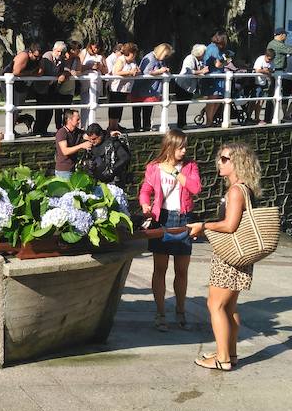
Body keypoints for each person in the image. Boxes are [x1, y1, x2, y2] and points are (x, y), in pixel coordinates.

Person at [187, 142, 263, 370]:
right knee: (229, 308)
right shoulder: (245, 189)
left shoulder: (236, 191)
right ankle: (230, 353)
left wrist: (203, 225)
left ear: (238, 162)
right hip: (239, 256)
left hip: (229, 257)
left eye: (224, 159)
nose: (219, 162)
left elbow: (230, 226)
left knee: (215, 305)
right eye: (220, 158)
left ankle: (222, 358)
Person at [139, 129, 201, 331]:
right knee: (160, 268)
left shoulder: (190, 166)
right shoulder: (154, 167)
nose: (184, 151)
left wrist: (175, 172)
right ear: (170, 146)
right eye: (180, 147)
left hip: (183, 217)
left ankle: (180, 310)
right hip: (162, 217)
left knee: (181, 270)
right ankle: (160, 312)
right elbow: (145, 189)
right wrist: (145, 204)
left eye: (185, 147)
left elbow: (195, 189)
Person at [264, 28, 292, 123]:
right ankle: (269, 118)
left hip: (277, 71)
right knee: (273, 95)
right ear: (281, 35)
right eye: (285, 35)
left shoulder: (272, 43)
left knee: (276, 95)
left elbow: (289, 50)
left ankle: (270, 117)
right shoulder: (278, 45)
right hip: (277, 71)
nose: (286, 36)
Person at [131, 44, 172, 132]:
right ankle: (137, 127)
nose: (166, 57)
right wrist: (160, 71)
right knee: (137, 109)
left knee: (148, 108)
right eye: (166, 55)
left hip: (150, 89)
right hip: (141, 87)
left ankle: (146, 126)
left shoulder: (159, 60)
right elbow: (147, 72)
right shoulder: (150, 58)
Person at [4, 43, 43, 134]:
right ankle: (10, 131)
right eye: (35, 56)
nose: (37, 59)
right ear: (30, 52)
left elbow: (40, 72)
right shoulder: (24, 56)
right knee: (13, 106)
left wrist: (33, 72)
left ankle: (13, 128)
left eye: (39, 57)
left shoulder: (39, 58)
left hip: (21, 83)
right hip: (9, 82)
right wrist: (30, 73)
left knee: (18, 108)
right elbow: (16, 72)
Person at [81, 123, 131, 188]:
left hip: (113, 181)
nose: (92, 142)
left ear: (101, 135)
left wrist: (112, 169)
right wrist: (87, 163)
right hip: (97, 181)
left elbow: (125, 158)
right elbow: (84, 160)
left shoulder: (112, 142)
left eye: (94, 139)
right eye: (90, 139)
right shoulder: (90, 146)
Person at [37, 41, 68, 136]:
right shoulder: (47, 57)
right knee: (42, 110)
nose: (60, 54)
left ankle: (43, 130)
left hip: (51, 87)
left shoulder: (61, 59)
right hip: (42, 87)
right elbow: (47, 71)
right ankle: (38, 130)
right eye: (58, 51)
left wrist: (64, 74)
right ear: (54, 50)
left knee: (49, 110)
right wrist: (58, 76)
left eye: (62, 52)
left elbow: (65, 70)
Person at [108, 43, 139, 133]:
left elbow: (137, 69)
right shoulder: (121, 60)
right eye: (134, 53)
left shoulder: (133, 61)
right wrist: (129, 72)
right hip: (116, 88)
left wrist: (136, 71)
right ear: (129, 52)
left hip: (126, 88)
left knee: (120, 107)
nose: (135, 55)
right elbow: (116, 72)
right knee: (114, 107)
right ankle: (112, 126)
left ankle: (116, 125)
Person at [175, 44, 208, 129]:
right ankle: (181, 124)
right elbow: (188, 71)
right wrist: (201, 71)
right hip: (182, 85)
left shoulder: (199, 60)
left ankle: (183, 123)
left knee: (185, 105)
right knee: (181, 105)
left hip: (189, 86)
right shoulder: (189, 58)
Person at [202, 32, 230, 126]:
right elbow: (218, 64)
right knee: (212, 98)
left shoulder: (218, 48)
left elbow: (223, 63)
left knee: (218, 99)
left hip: (219, 76)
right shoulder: (213, 48)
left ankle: (210, 120)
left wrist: (226, 61)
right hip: (213, 77)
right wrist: (226, 62)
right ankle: (209, 121)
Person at [54, 109, 91, 179]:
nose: (79, 122)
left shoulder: (77, 132)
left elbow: (89, 136)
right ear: (69, 120)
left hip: (72, 169)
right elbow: (65, 151)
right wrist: (81, 146)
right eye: (77, 119)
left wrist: (108, 133)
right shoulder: (62, 133)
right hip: (63, 171)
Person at [53, 41, 82, 130]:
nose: (79, 51)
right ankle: (59, 128)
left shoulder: (77, 59)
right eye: (78, 50)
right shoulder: (63, 58)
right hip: (60, 87)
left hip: (70, 88)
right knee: (58, 109)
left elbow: (79, 71)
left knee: (67, 110)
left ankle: (66, 128)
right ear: (72, 50)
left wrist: (74, 72)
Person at [78, 40, 107, 127]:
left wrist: (100, 67)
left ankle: (91, 126)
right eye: (95, 46)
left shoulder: (100, 56)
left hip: (97, 84)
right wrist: (89, 66)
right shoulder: (84, 53)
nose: (96, 49)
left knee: (93, 105)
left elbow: (106, 70)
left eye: (98, 47)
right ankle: (83, 126)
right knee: (86, 105)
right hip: (86, 83)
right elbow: (78, 68)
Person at [249, 48, 274, 125]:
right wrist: (266, 71)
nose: (269, 61)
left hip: (264, 82)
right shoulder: (260, 59)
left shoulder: (271, 61)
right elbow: (257, 70)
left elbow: (272, 70)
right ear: (266, 56)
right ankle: (249, 117)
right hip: (257, 82)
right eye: (269, 59)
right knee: (254, 100)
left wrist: (267, 71)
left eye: (271, 59)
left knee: (261, 100)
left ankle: (257, 118)